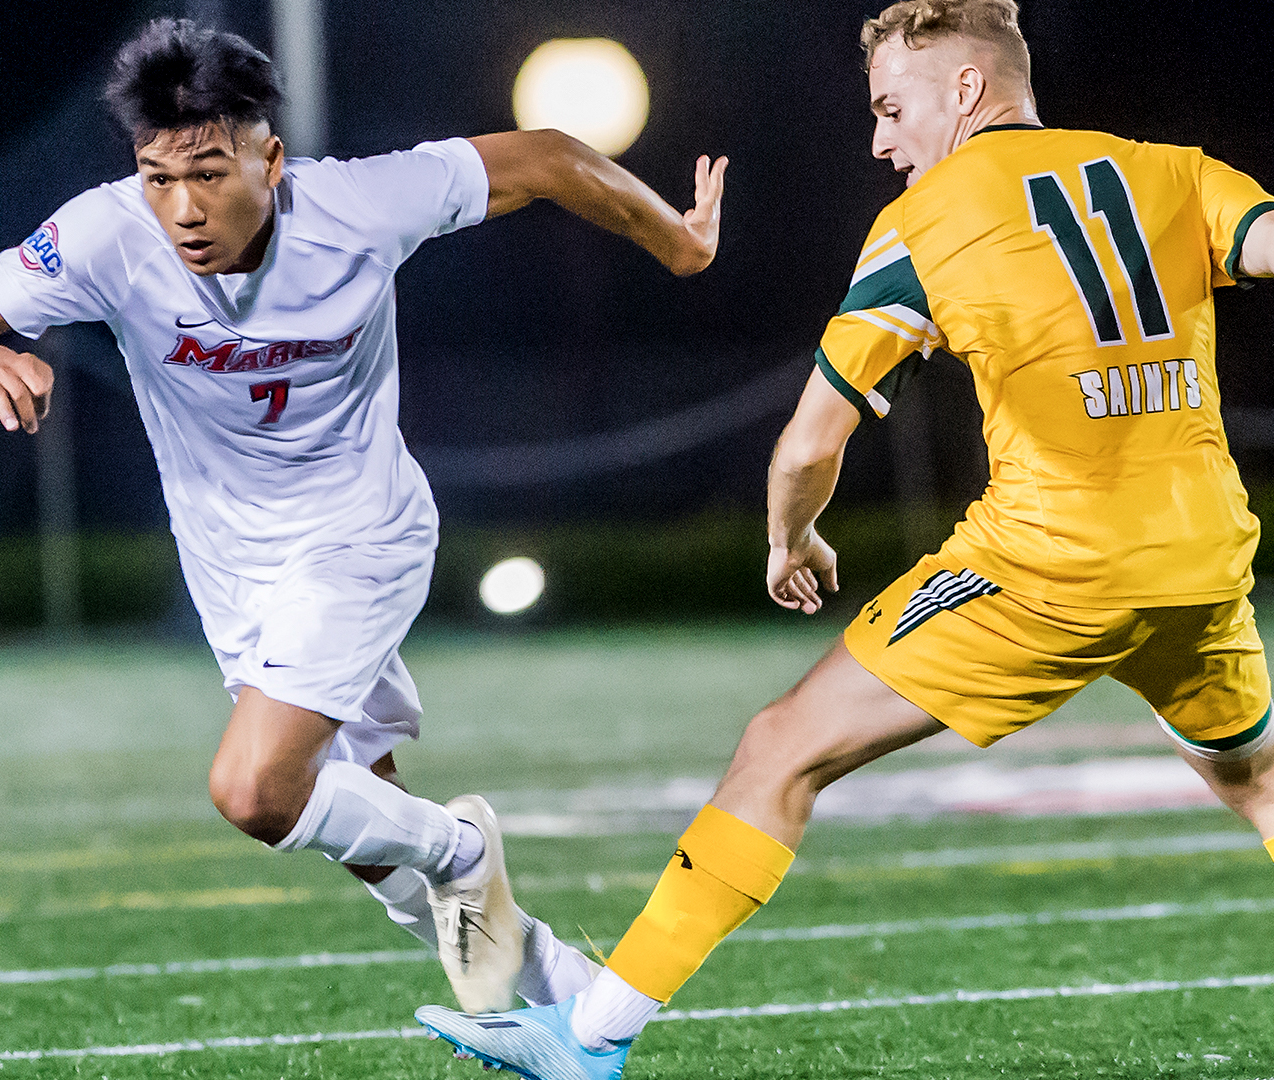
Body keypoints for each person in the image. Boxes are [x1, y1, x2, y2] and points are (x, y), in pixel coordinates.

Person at [417, 0, 1274, 1074]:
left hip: (1050, 568)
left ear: (966, 89)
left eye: (890, 106)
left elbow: (806, 444)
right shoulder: (1173, 169)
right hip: (1203, 560)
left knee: (781, 748)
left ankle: (588, 1039)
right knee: (1257, 778)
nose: (879, 139)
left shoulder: (926, 221)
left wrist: (793, 539)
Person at [0, 17, 729, 1013]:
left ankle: (464, 851)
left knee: (255, 792)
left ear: (271, 158)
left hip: (359, 539)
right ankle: (557, 988)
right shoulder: (103, 235)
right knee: (355, 813)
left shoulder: (359, 206)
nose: (182, 208)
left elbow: (548, 158)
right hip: (230, 566)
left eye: (209, 173)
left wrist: (674, 242)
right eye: (159, 177)